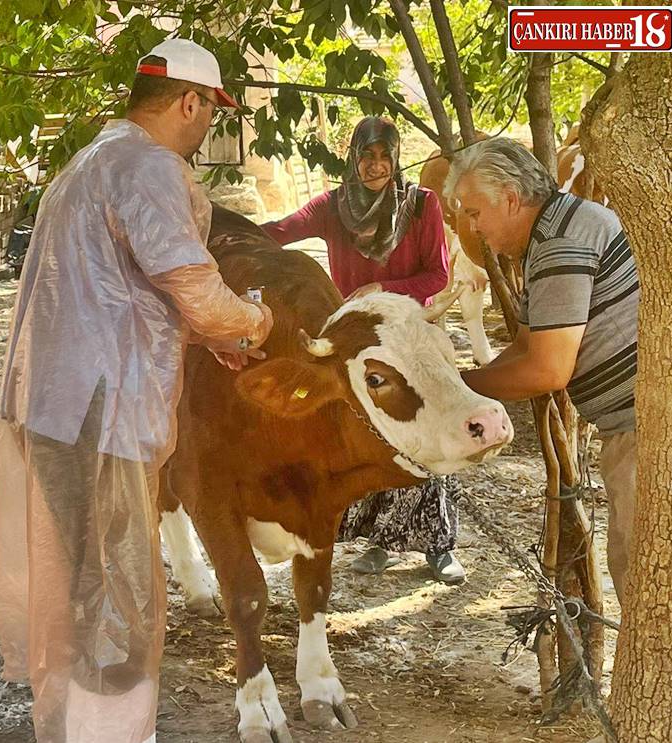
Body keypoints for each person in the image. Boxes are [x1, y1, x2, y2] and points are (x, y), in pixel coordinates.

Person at [0, 38, 274, 743]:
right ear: (189, 102)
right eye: (211, 111)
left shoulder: (88, 162)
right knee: (118, 588)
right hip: (105, 410)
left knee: (82, 579)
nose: (209, 126)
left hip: (54, 404)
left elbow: (119, 294)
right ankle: (113, 732)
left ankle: (74, 726)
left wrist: (205, 337)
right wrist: (252, 321)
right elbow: (193, 288)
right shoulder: (149, 167)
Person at [262, 117, 466, 585]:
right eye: (367, 156)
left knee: (425, 427)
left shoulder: (421, 204)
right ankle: (380, 542)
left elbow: (437, 275)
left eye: (384, 156)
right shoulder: (333, 207)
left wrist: (381, 288)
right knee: (371, 433)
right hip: (360, 344)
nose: (376, 166)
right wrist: (225, 235)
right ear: (354, 158)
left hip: (410, 334)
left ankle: (440, 545)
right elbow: (280, 230)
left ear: (395, 159)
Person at [445, 137, 638, 606]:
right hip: (634, 427)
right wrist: (458, 392)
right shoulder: (558, 228)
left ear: (511, 198)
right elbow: (526, 344)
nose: (473, 227)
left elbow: (546, 369)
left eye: (475, 212)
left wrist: (452, 390)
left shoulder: (558, 243)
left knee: (645, 585)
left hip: (644, 433)